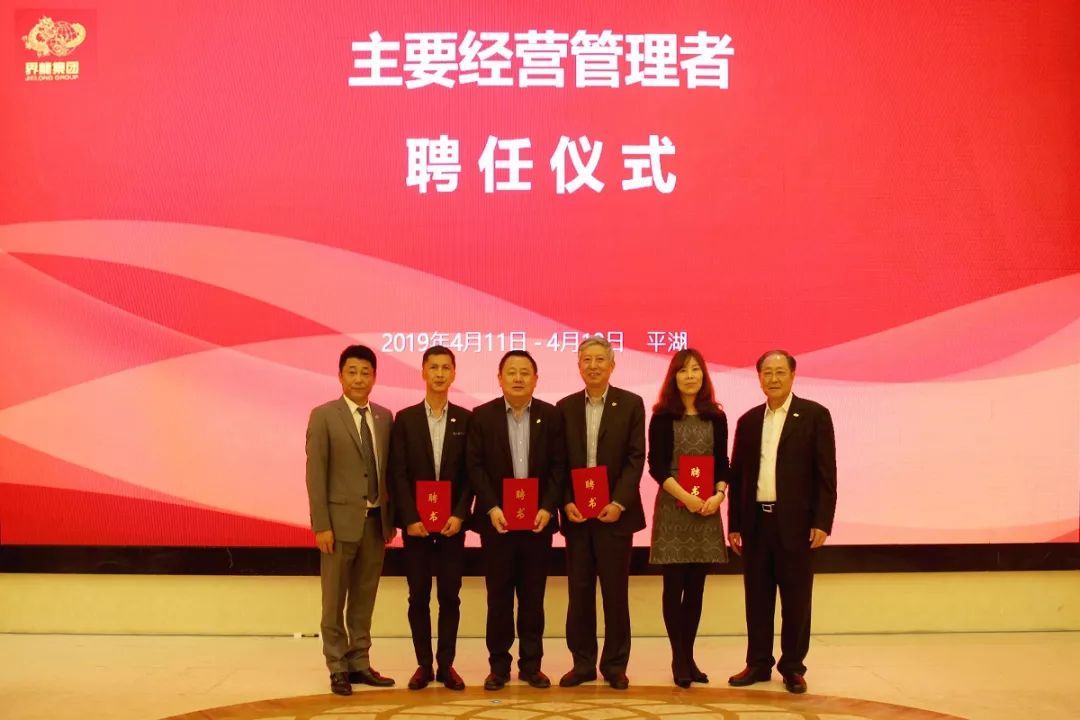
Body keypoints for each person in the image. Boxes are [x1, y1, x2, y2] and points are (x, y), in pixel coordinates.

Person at [726, 349, 837, 694]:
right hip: (756, 524)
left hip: (797, 526)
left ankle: (793, 667)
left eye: (780, 372)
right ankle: (758, 663)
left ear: (792, 375)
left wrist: (822, 521)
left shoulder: (814, 415)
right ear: (759, 377)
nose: (773, 379)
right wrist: (734, 524)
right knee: (757, 599)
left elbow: (826, 474)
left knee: (796, 600)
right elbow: (738, 476)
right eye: (767, 373)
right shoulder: (748, 421)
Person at [466, 350, 567, 691]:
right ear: (500, 378)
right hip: (498, 524)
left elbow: (559, 466)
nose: (518, 378)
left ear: (536, 379)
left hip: (537, 523)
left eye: (525, 372)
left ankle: (531, 665)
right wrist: (492, 507)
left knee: (533, 599)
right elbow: (475, 467)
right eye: (511, 372)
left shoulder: (551, 416)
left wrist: (548, 507)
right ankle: (498, 667)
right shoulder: (482, 416)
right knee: (498, 599)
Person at [304, 344, 396, 696]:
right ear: (340, 376)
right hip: (338, 525)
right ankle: (337, 666)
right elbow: (316, 474)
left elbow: (389, 471)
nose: (359, 379)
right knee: (333, 600)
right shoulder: (324, 416)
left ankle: (360, 662)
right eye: (352, 372)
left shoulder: (385, 417)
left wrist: (391, 518)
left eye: (365, 372)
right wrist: (321, 525)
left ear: (374, 377)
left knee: (363, 598)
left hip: (375, 523)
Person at [557, 336, 646, 690]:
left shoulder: (631, 404)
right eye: (587, 360)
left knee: (614, 593)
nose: (593, 366)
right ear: (579, 366)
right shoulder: (564, 407)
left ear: (612, 365)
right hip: (578, 516)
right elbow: (558, 462)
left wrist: (619, 502)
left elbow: (636, 457)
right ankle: (582, 664)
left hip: (615, 516)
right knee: (579, 592)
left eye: (599, 360)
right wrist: (566, 501)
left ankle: (614, 665)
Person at [389, 346, 472, 691]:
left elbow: (470, 474)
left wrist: (460, 514)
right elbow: (397, 473)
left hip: (452, 526)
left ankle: (446, 665)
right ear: (423, 372)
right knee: (418, 596)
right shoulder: (405, 419)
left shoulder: (466, 419)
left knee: (450, 596)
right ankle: (424, 664)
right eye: (433, 367)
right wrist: (409, 518)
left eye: (445, 368)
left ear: (454, 374)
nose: (439, 373)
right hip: (417, 527)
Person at [647, 348, 730, 688]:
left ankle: (689, 656)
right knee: (674, 587)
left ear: (703, 376)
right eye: (683, 370)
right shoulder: (662, 416)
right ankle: (678, 658)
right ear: (674, 377)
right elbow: (657, 467)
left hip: (706, 509)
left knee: (696, 589)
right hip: (674, 508)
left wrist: (718, 495)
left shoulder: (716, 417)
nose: (690, 376)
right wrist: (686, 497)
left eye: (696, 369)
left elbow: (723, 463)